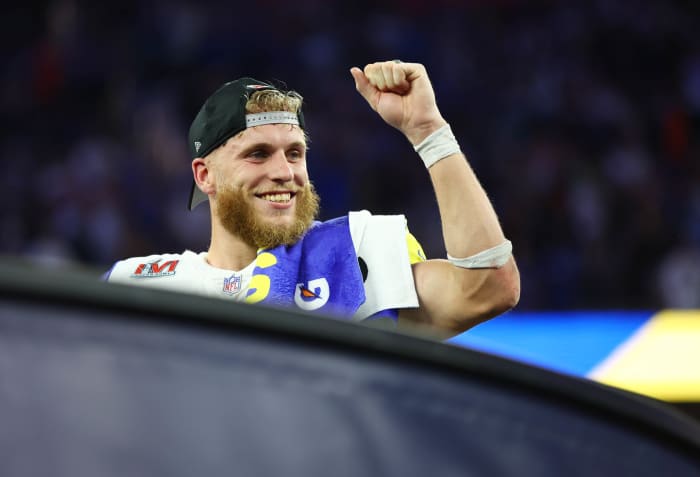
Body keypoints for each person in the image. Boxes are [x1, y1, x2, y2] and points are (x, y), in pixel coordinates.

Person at [105, 60, 520, 338]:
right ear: (205, 175)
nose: (285, 172)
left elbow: (486, 288)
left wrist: (430, 133)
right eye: (258, 154)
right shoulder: (137, 288)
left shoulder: (352, 255)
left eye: (295, 153)